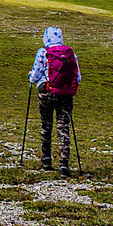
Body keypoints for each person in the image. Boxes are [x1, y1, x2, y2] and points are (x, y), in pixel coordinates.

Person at [28, 27, 81, 177]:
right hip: (66, 94)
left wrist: (31, 77)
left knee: (46, 124)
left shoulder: (42, 52)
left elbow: (35, 76)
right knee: (63, 126)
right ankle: (64, 165)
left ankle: (46, 159)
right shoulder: (70, 54)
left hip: (46, 92)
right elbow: (78, 78)